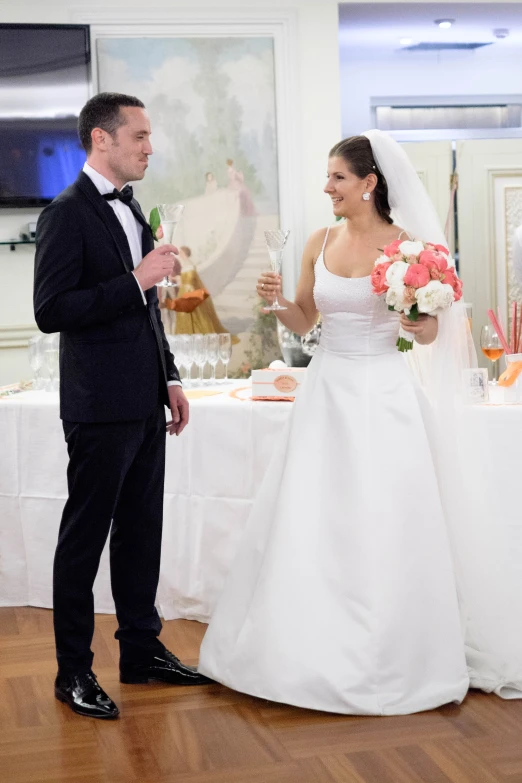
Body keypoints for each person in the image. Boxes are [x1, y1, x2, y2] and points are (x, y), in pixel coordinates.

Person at [198, 132, 473, 715]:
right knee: (314, 514)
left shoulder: (411, 250)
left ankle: (392, 649)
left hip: (384, 393)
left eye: (338, 178)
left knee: (383, 518)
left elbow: (425, 332)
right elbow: (304, 319)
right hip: (326, 391)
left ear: (369, 184)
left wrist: (419, 316)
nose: (327, 188)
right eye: (327, 178)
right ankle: (302, 644)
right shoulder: (319, 242)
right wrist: (276, 302)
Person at [34, 92, 210, 721]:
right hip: (97, 404)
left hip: (144, 400)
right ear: (100, 140)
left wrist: (170, 379)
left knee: (142, 532)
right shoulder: (65, 214)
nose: (149, 146)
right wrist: (135, 279)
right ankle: (72, 671)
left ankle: (140, 651)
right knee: (84, 538)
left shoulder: (134, 206)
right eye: (139, 135)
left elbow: (149, 312)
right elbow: (51, 312)